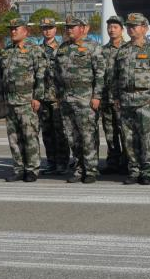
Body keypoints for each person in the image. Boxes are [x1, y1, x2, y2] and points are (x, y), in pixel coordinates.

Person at [109, 13, 150, 185]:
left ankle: (147, 171)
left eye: (135, 25)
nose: (132, 28)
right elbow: (115, 76)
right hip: (125, 100)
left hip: (145, 99)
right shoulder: (123, 50)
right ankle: (133, 170)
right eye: (129, 26)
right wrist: (115, 97)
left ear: (145, 28)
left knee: (146, 137)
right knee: (129, 138)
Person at [53, 15, 103, 183]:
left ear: (82, 29)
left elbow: (100, 74)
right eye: (67, 27)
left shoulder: (93, 47)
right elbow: (57, 76)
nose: (69, 29)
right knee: (72, 137)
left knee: (87, 136)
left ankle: (91, 170)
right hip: (67, 99)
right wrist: (59, 96)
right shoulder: (62, 49)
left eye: (73, 27)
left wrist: (97, 96)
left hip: (86, 99)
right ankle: (79, 168)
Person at [0, 16, 46, 183]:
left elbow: (41, 75)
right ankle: (18, 168)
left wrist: (38, 97)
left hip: (27, 100)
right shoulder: (6, 51)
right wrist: (1, 97)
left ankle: (32, 169)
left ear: (25, 31)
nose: (12, 31)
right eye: (11, 29)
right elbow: (0, 76)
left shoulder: (35, 50)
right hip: (10, 101)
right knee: (14, 138)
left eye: (16, 29)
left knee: (29, 136)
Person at [37, 18, 69, 175]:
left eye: (50, 28)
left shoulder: (62, 49)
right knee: (47, 133)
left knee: (60, 132)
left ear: (55, 30)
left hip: (58, 97)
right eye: (44, 28)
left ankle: (63, 163)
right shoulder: (36, 50)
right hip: (42, 97)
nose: (47, 31)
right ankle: (51, 163)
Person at [99, 15, 127, 175]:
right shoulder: (102, 50)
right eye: (109, 27)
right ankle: (113, 162)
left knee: (125, 132)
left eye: (115, 27)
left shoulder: (127, 49)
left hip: (122, 100)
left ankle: (126, 162)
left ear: (122, 30)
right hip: (106, 98)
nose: (111, 30)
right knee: (110, 133)